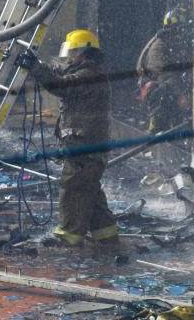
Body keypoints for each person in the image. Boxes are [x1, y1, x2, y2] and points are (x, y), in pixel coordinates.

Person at [15, 28, 117, 247]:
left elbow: (62, 84)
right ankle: (106, 234)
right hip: (87, 146)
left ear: (84, 52)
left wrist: (35, 68)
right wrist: (37, 64)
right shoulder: (87, 72)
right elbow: (59, 72)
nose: (69, 57)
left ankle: (68, 236)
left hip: (85, 148)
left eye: (73, 52)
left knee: (74, 189)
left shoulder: (89, 75)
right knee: (88, 190)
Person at [136, 7, 194, 134]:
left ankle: (177, 119)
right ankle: (156, 124)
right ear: (172, 30)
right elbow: (164, 76)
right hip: (154, 90)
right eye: (179, 30)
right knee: (163, 91)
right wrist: (181, 95)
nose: (181, 35)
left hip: (170, 84)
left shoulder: (173, 44)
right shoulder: (158, 48)